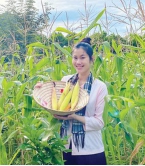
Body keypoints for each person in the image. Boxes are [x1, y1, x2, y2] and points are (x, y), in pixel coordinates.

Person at [34, 37, 108, 165]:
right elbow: (56, 106)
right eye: (75, 58)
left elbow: (99, 123)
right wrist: (39, 90)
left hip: (91, 150)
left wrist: (74, 117)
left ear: (92, 59)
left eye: (82, 57)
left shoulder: (99, 87)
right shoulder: (66, 81)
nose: (78, 62)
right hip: (67, 147)